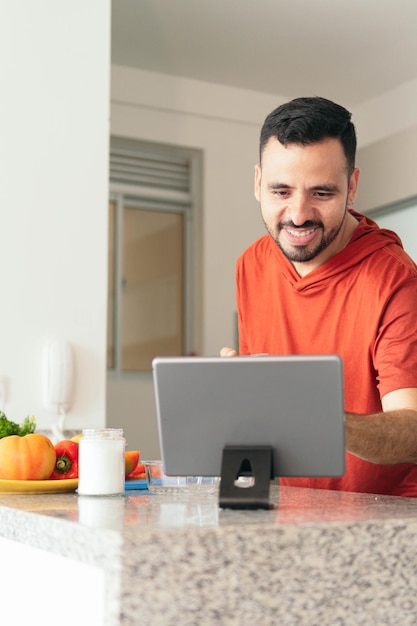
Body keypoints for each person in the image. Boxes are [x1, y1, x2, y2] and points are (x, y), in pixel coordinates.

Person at [221, 96, 417, 497]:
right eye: (280, 191)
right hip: (294, 508)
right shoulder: (251, 265)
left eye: (321, 194)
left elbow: (413, 428)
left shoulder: (395, 281)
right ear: (257, 182)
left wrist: (316, 416)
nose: (297, 214)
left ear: (352, 186)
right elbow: (263, 414)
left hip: (386, 520)